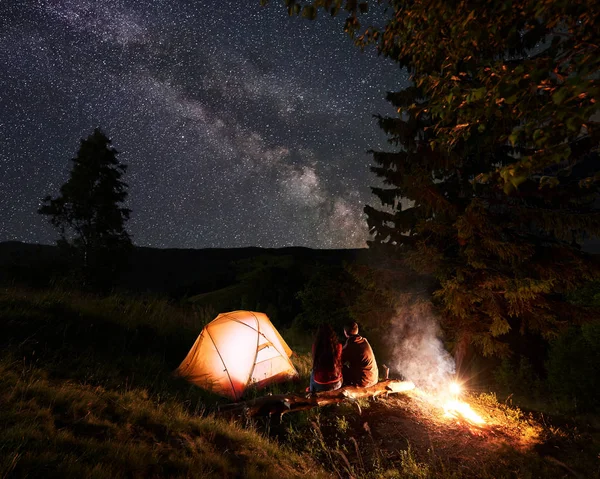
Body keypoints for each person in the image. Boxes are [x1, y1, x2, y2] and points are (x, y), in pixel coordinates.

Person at [342, 321, 378, 388]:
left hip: (364, 381)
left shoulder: (351, 344)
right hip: (373, 378)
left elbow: (340, 360)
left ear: (345, 332)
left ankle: (342, 389)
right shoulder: (363, 340)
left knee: (340, 369)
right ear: (357, 330)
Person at [309, 324, 343, 393]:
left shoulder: (315, 347)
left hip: (320, 384)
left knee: (313, 371)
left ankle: (311, 392)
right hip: (336, 383)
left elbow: (314, 361)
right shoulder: (339, 346)